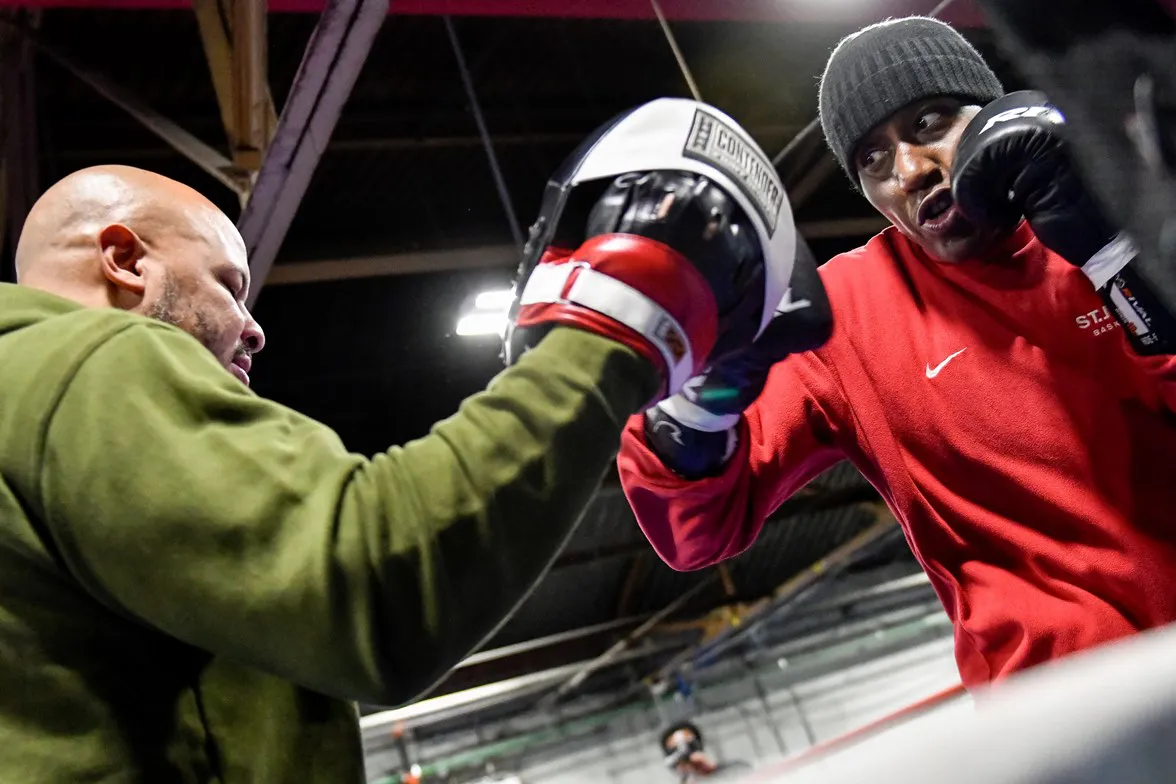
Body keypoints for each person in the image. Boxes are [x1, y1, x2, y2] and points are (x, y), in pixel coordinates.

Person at [0, 98, 821, 782]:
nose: (253, 330)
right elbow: (368, 580)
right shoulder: (80, 363)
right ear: (124, 261)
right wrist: (625, 315)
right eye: (229, 285)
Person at [618, 16, 1176, 692]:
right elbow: (694, 532)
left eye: (930, 124)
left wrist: (1116, 256)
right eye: (873, 162)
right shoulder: (848, 315)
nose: (910, 171)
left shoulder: (1124, 196)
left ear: (992, 113)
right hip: (1071, 709)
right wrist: (704, 385)